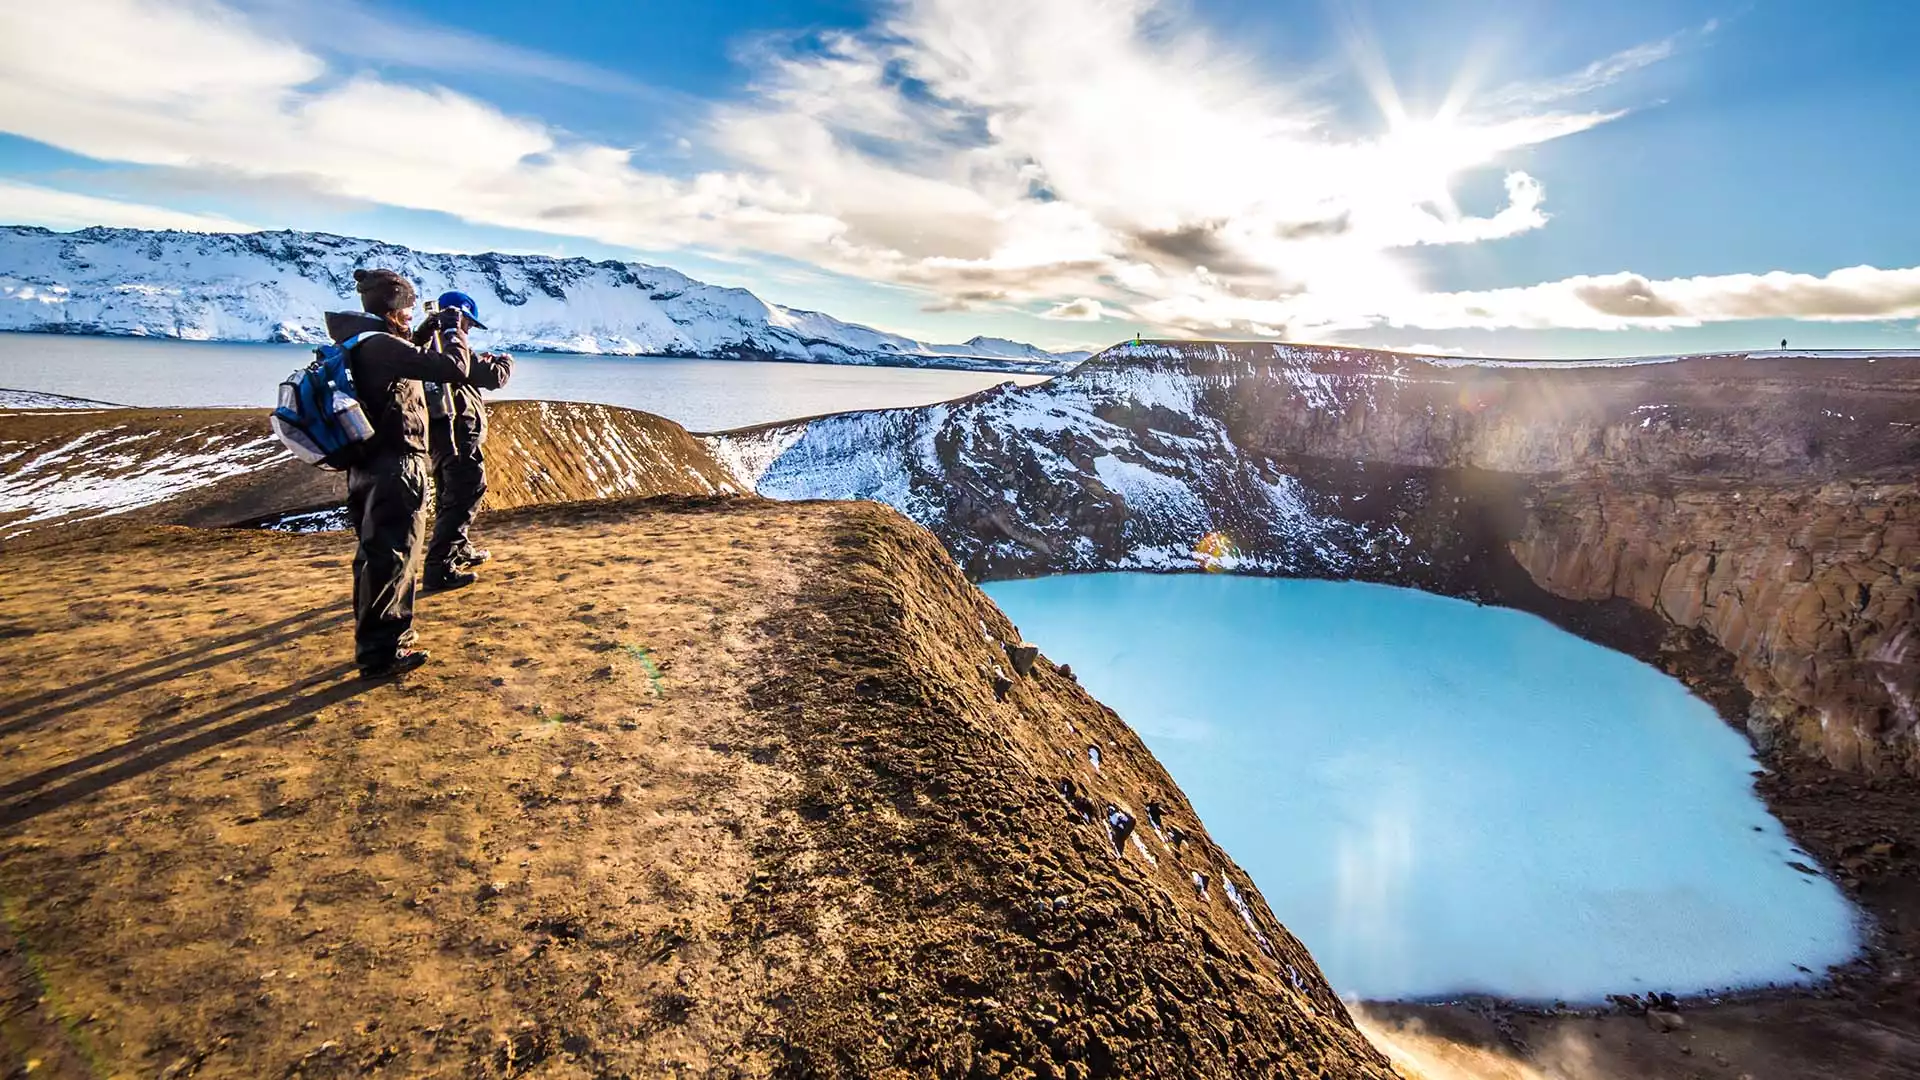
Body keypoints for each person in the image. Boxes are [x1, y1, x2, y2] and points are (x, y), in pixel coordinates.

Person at [327, 269, 472, 678]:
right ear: (391, 306)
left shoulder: (359, 341)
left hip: (367, 464)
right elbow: (453, 369)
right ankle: (385, 648)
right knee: (395, 557)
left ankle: (374, 643)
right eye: (408, 307)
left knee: (375, 557)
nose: (410, 313)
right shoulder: (381, 345)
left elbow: (402, 358)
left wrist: (423, 332)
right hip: (397, 464)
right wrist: (455, 330)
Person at [418, 291, 513, 592]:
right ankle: (440, 567)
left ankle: (459, 549)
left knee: (451, 493)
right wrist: (504, 361)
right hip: (458, 435)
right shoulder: (453, 349)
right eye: (467, 323)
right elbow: (494, 377)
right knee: (466, 491)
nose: (468, 329)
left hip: (442, 435)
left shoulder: (430, 347)